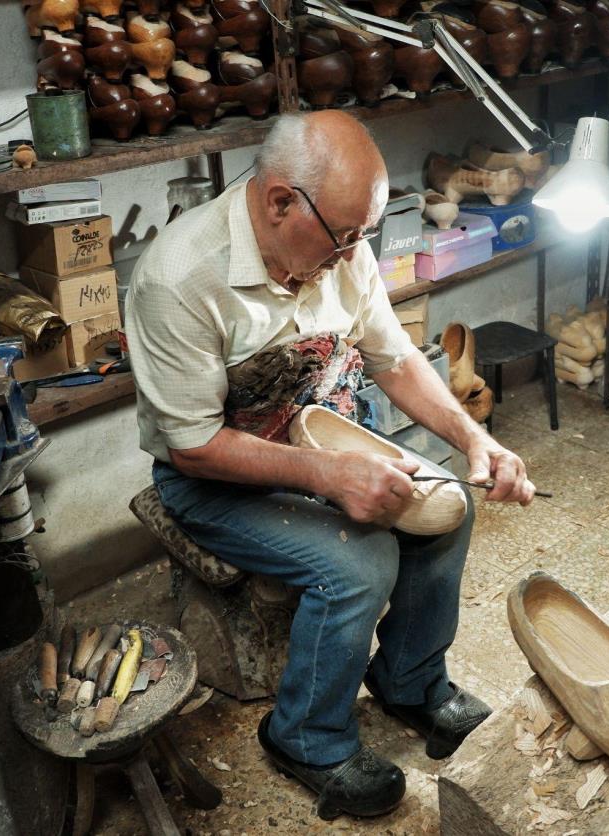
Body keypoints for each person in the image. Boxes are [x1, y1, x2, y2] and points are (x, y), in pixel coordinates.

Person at [125, 110, 536, 820]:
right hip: (216, 477)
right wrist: (328, 478)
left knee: (448, 509)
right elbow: (194, 444)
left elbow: (396, 358)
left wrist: (475, 441)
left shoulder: (341, 248)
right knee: (358, 563)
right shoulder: (180, 279)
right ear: (280, 201)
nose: (353, 255)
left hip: (329, 433)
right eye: (343, 236)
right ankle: (304, 736)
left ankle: (409, 682)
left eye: (362, 236)